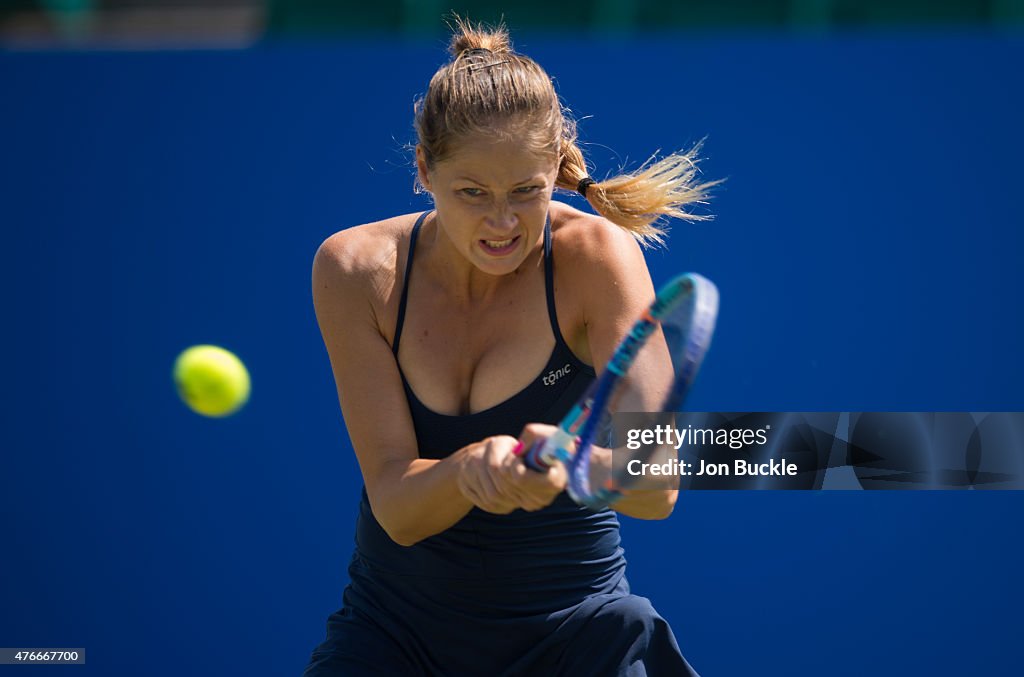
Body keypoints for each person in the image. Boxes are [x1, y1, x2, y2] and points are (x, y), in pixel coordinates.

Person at [303, 17, 715, 676]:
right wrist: (470, 468)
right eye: (472, 193)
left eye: (526, 191)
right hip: (394, 637)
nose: (502, 222)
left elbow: (658, 482)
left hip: (579, 636)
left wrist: (574, 464)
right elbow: (397, 506)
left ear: (555, 167)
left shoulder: (597, 258)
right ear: (423, 171)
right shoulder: (354, 270)